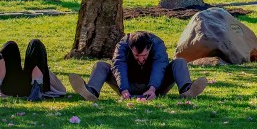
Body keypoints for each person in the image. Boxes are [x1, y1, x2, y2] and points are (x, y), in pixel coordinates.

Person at [68, 31, 208, 101]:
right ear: (130, 48)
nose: (141, 60)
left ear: (150, 47)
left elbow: (160, 66)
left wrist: (152, 88)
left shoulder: (157, 44)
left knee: (180, 62)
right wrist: (124, 89)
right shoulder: (122, 45)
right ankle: (91, 92)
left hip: (155, 87)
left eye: (144, 56)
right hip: (128, 86)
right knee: (101, 65)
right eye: (137, 56)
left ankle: (187, 91)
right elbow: (119, 66)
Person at [0, 39, 66, 102]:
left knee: (35, 44)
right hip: (13, 87)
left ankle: (37, 87)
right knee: (10, 45)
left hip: (30, 86)